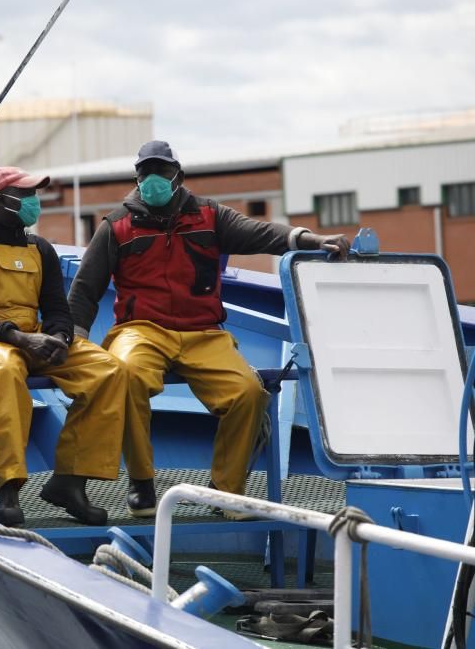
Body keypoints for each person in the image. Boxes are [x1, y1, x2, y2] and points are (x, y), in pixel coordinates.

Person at [67, 140, 349, 520]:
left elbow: (259, 233)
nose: (153, 180)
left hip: (202, 332)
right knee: (126, 375)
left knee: (248, 393)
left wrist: (310, 240)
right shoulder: (117, 226)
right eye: (145, 173)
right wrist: (75, 342)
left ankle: (225, 492)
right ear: (137, 178)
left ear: (178, 176)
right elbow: (85, 288)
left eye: (161, 172)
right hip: (141, 330)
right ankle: (141, 483)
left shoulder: (209, 216)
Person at [0, 166, 128, 527]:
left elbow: (58, 307)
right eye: (24, 196)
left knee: (109, 370)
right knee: (4, 370)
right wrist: (19, 338)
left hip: (34, 336)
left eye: (34, 196)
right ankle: (8, 491)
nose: (33, 203)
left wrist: (59, 338)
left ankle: (70, 482)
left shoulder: (40, 248)